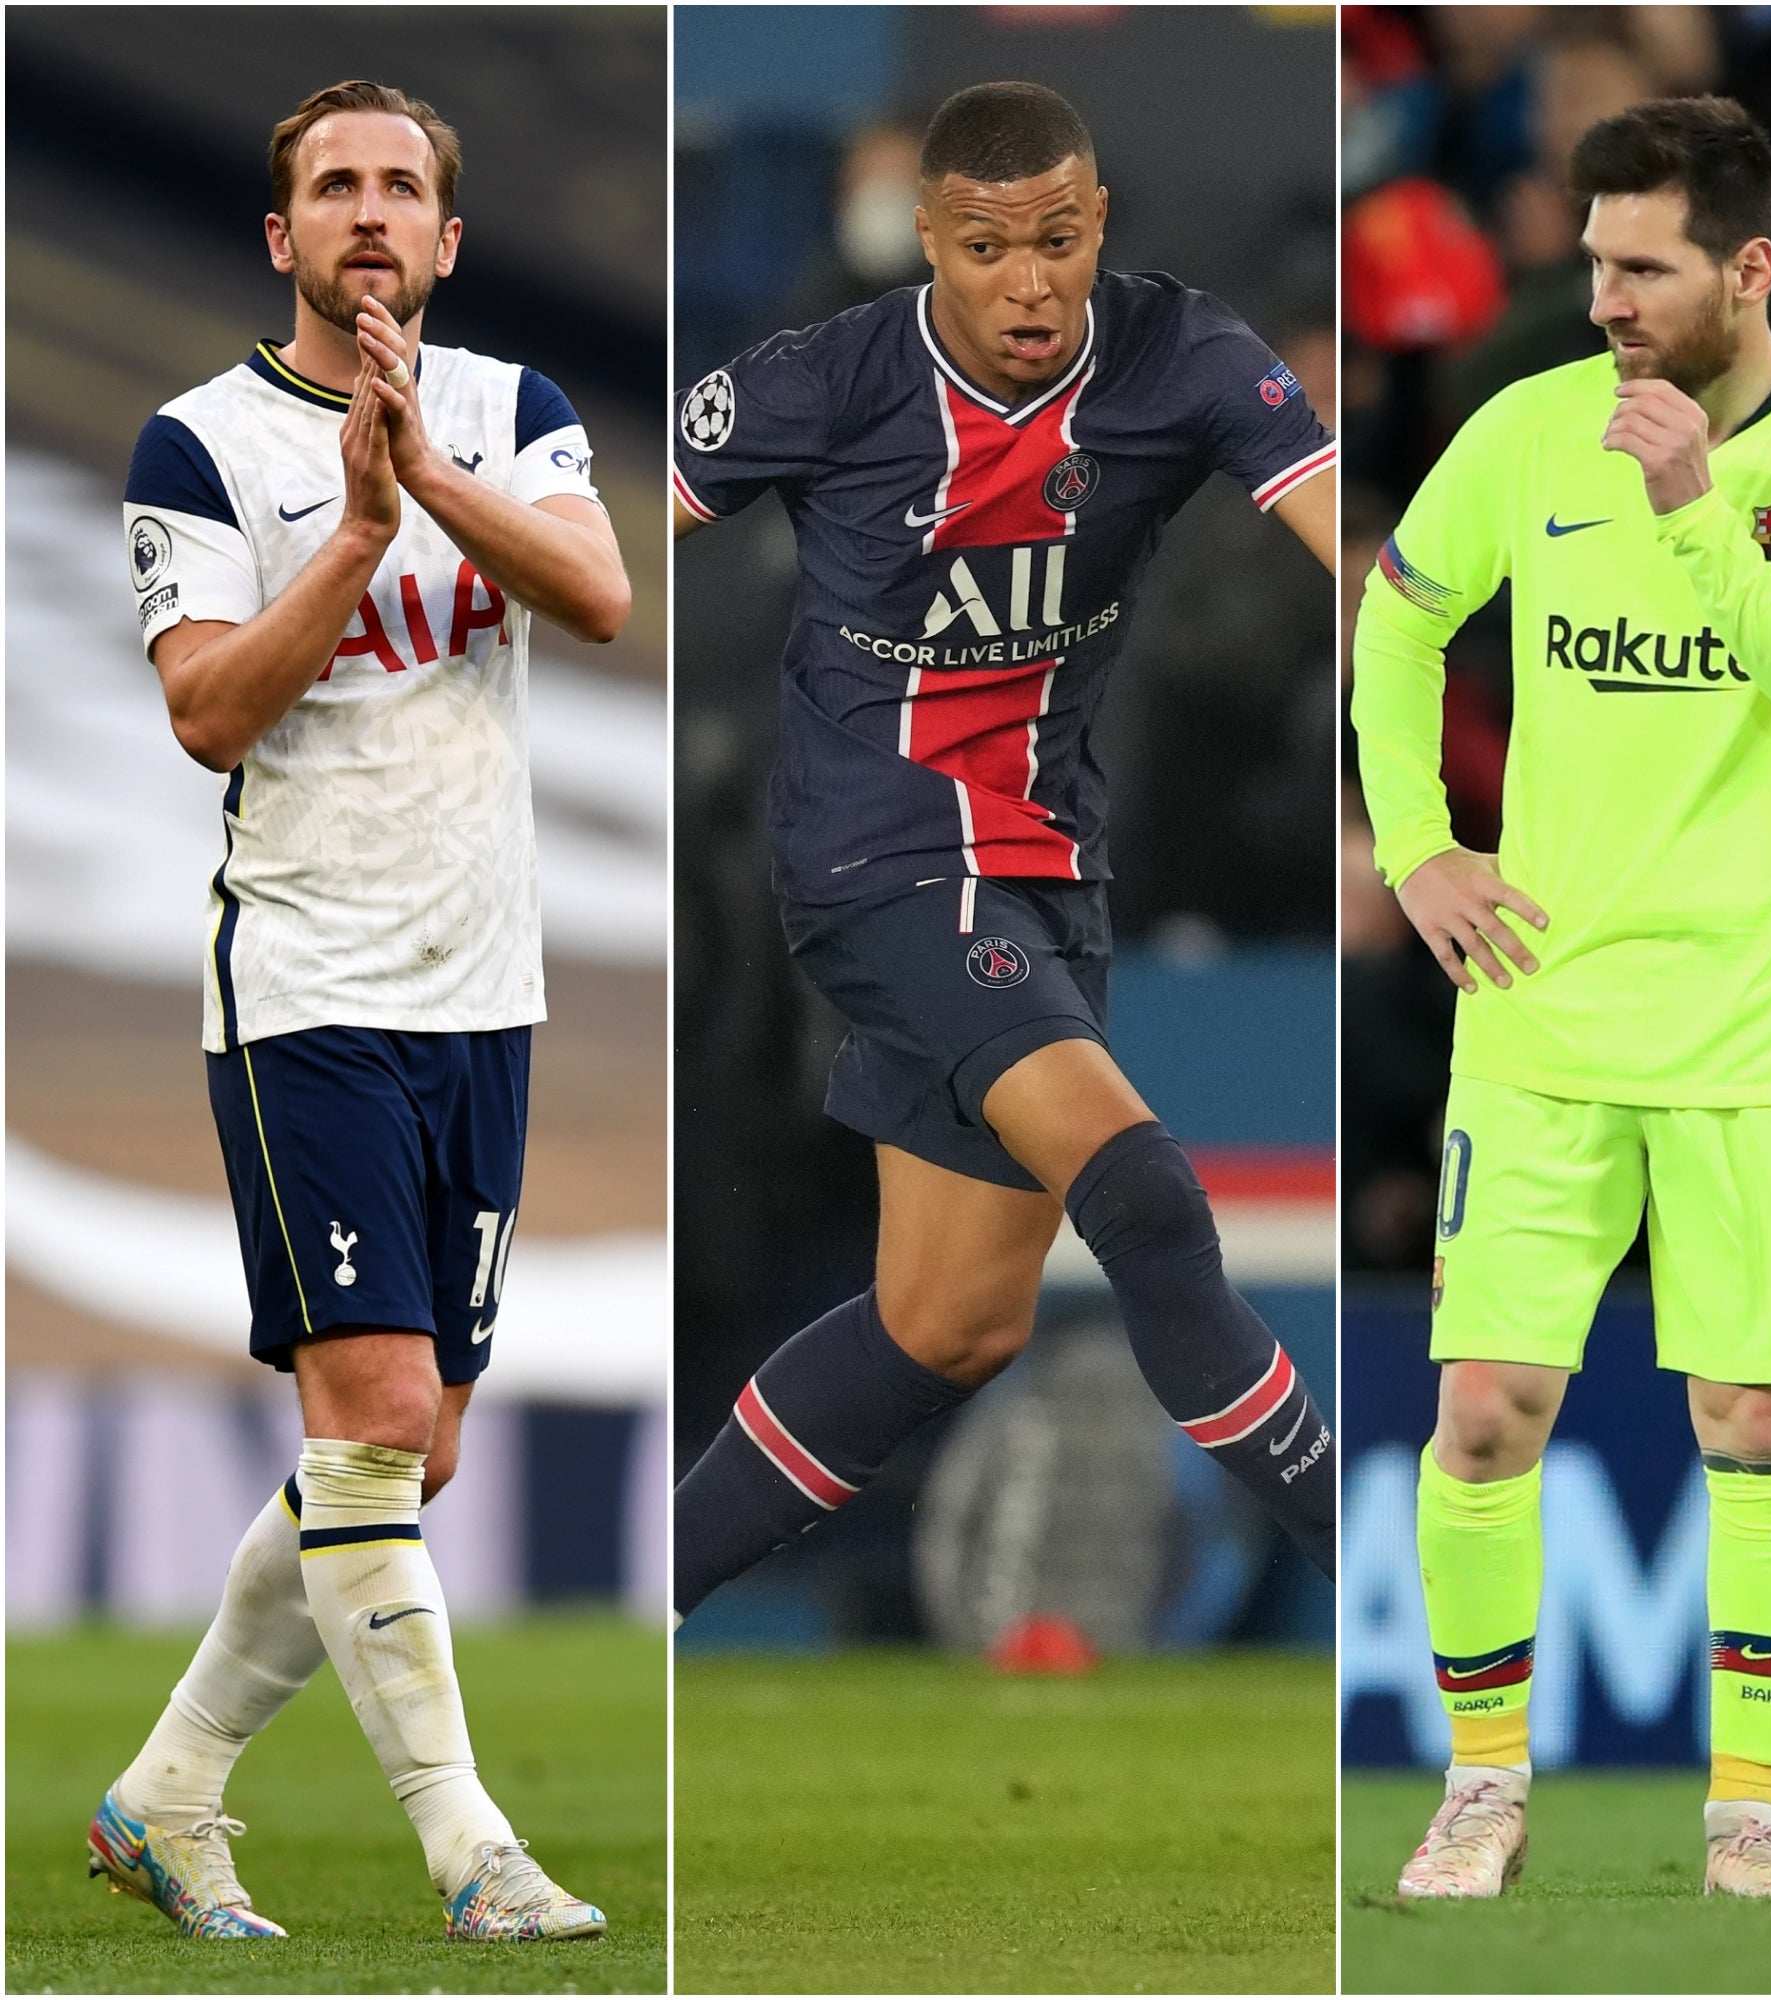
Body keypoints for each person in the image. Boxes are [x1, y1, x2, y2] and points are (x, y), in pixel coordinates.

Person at [1351, 95, 1771, 1900]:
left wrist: (1695, 513)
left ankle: (1747, 1819)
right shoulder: (1526, 428)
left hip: (1763, 1021)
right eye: (1593, 257)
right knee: (1480, 1416)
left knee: (1760, 1424)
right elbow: (1396, 615)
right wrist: (1417, 848)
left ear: (1748, 269)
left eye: (1642, 265)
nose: (1602, 294)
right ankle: (1479, 1791)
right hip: (1539, 1007)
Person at [671, 82, 1339, 1625]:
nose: (1026, 281)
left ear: (1097, 223)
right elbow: (610, 542)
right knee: (1151, 1200)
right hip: (880, 865)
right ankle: (1390, 1588)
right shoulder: (824, 380)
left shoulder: (1186, 358)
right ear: (928, 241)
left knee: (945, 1322)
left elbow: (1346, 551)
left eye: (1054, 241)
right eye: (985, 246)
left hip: (1047, 877)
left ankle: (654, 1593)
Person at [94, 79, 630, 1941]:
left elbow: (599, 597)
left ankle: (167, 1793)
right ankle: (472, 1849)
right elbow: (208, 712)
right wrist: (354, 530)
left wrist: (431, 474)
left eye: (404, 187)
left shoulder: (515, 410)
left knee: (406, 1446)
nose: (372, 215)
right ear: (282, 236)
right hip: (308, 977)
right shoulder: (199, 445)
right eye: (336, 187)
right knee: (383, 1406)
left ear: (450, 237)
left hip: (486, 980)